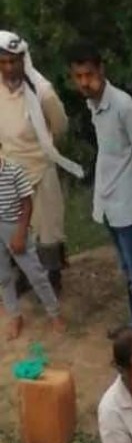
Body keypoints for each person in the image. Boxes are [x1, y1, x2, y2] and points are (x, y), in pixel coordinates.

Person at [67, 41, 132, 335]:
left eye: (89, 75)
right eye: (79, 76)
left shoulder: (124, 107)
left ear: (101, 70)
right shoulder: (94, 105)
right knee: (128, 272)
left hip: (129, 205)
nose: (85, 82)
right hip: (109, 203)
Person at [0, 30, 83, 291]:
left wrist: (44, 147)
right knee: (16, 229)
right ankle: (25, 278)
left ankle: (52, 282)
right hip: (10, 171)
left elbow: (60, 126)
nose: (9, 67)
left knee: (47, 230)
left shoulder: (42, 91)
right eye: (3, 61)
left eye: (14, 60)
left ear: (23, 59)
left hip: (40, 169)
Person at [0, 152, 64, 339]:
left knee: (35, 274)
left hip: (15, 226)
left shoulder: (13, 170)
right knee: (3, 277)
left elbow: (27, 203)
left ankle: (54, 314)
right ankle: (14, 316)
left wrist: (20, 232)